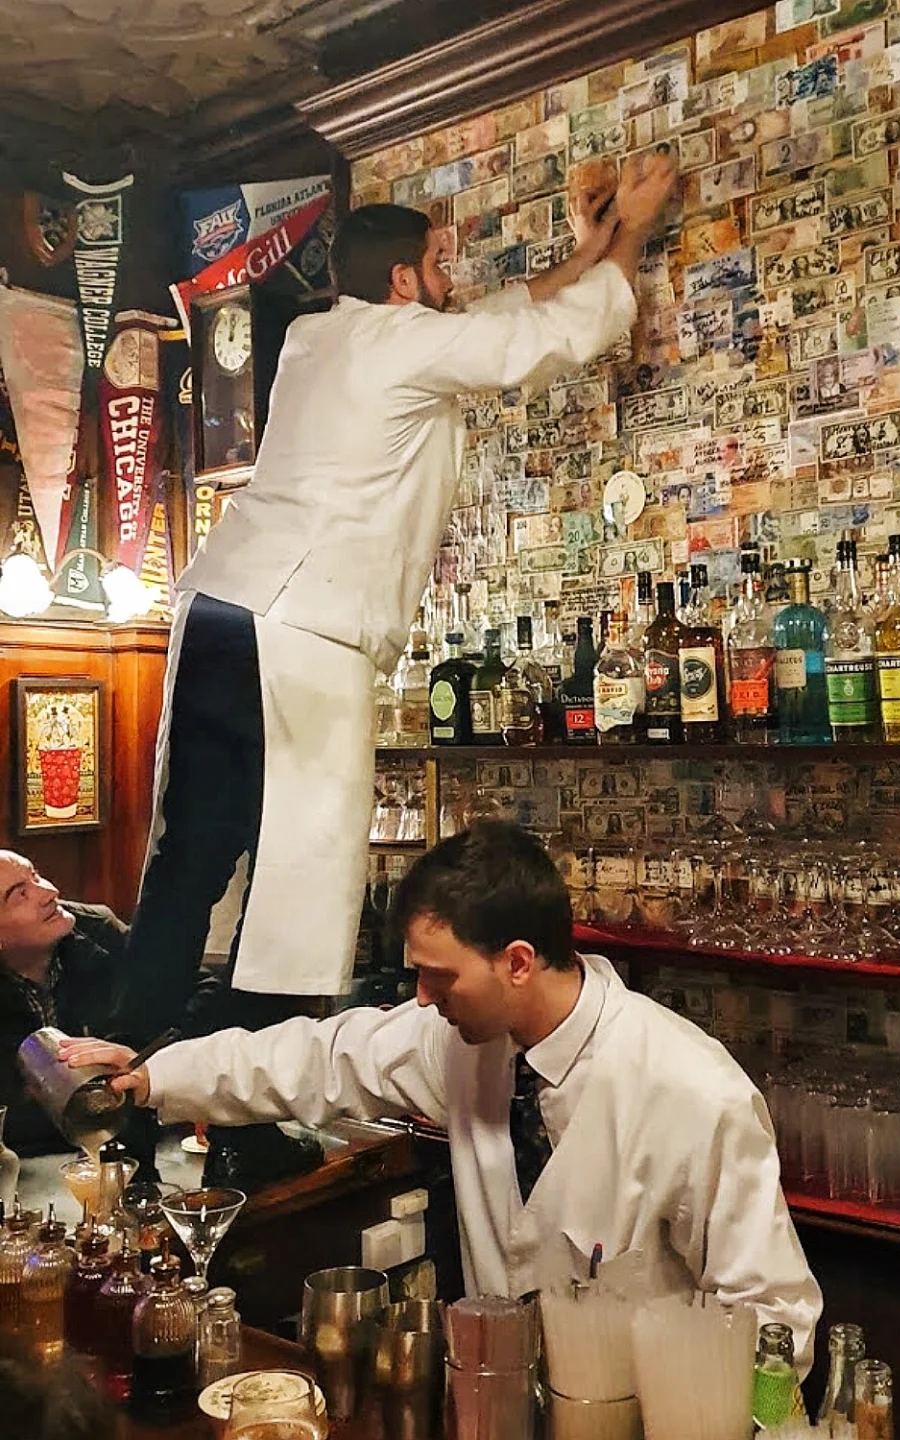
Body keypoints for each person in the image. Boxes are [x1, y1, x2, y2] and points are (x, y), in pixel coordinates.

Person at [118, 156, 676, 1132]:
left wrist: (581, 250)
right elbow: (543, 339)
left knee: (187, 873)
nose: (449, 273)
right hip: (305, 625)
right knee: (303, 884)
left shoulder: (317, 338)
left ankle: (115, 1082)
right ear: (405, 281)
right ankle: (264, 1134)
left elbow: (481, 322)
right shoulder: (403, 345)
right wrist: (629, 231)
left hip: (217, 606)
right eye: (437, 262)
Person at [60, 819, 823, 1373]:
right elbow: (314, 1060)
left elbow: (775, 1322)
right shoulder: (460, 1038)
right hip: (492, 1397)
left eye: (439, 976)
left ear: (518, 962)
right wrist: (155, 1074)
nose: (420, 999)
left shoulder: (693, 1091)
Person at [0, 851, 156, 1172]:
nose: (49, 892)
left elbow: (197, 990)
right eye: (21, 894)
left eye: (36, 876)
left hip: (126, 1146)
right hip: (26, 1165)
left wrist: (141, 1056)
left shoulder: (96, 929)